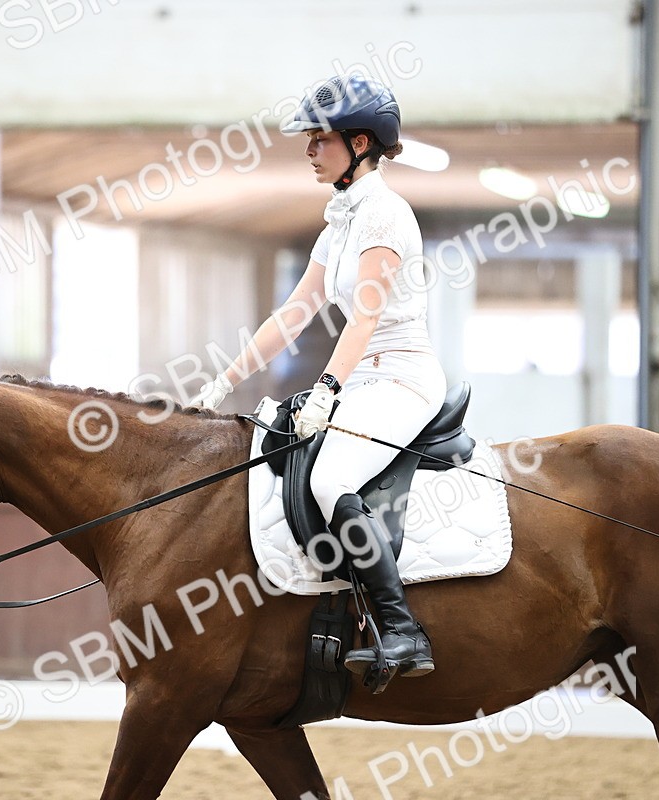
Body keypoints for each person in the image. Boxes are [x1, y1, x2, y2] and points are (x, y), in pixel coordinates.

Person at [191, 75, 447, 687]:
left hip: (401, 378)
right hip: (362, 378)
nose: (308, 148)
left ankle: (401, 627)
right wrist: (225, 381)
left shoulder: (384, 215)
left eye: (319, 138)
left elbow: (365, 316)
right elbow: (294, 314)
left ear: (360, 143)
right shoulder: (340, 221)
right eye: (307, 138)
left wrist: (328, 388)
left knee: (332, 479)